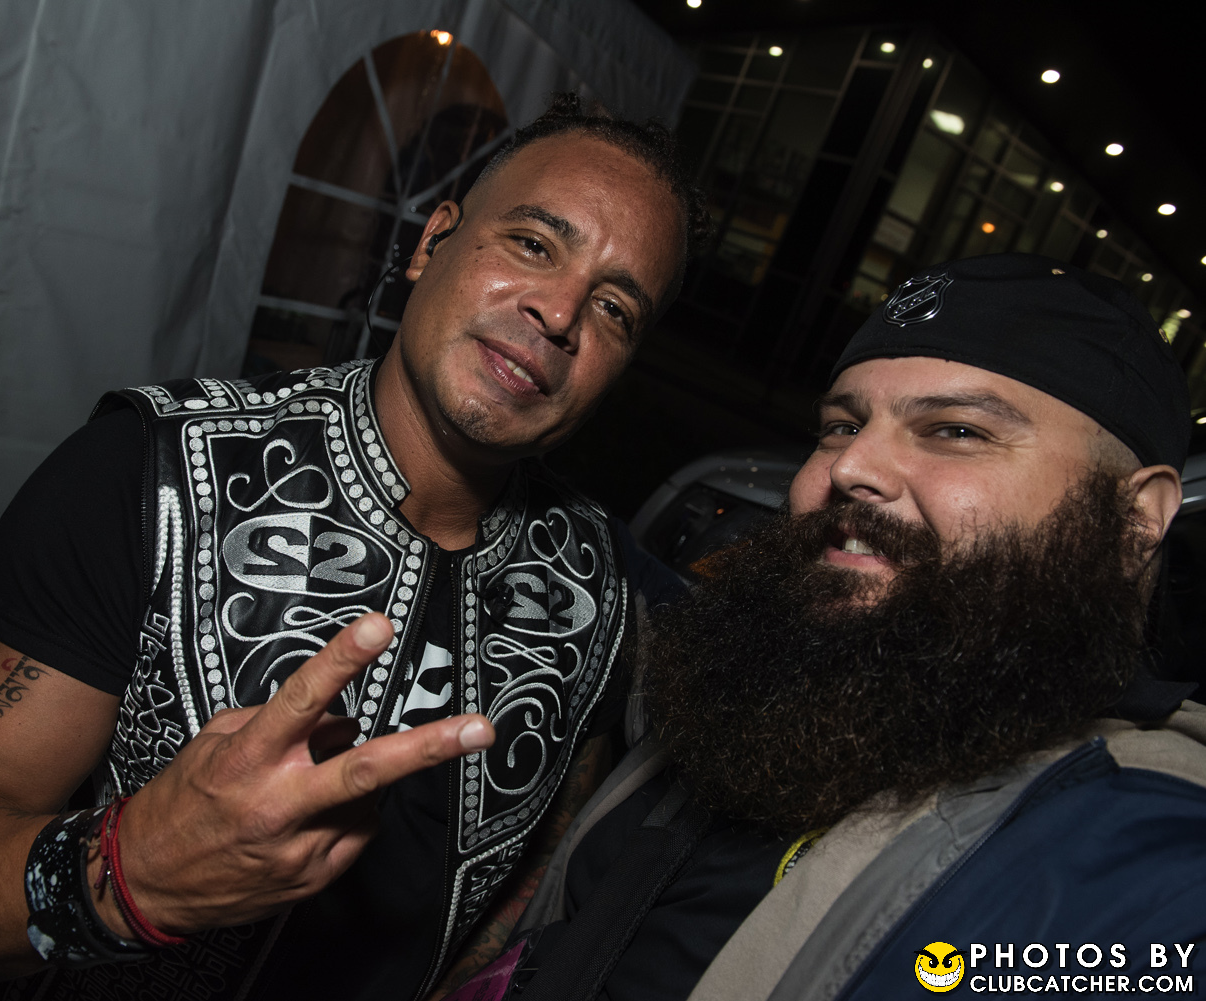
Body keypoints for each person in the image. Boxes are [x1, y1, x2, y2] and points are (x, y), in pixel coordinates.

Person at [0, 96, 705, 1001]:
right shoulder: (154, 474)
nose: (559, 311)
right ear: (432, 241)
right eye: (532, 243)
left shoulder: (600, 594)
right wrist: (132, 872)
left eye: (614, 308)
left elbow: (530, 874)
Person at [467, 253, 1206, 1001]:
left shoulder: (1146, 866)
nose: (853, 464)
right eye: (841, 425)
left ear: (1133, 521)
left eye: (955, 430)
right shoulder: (753, 696)